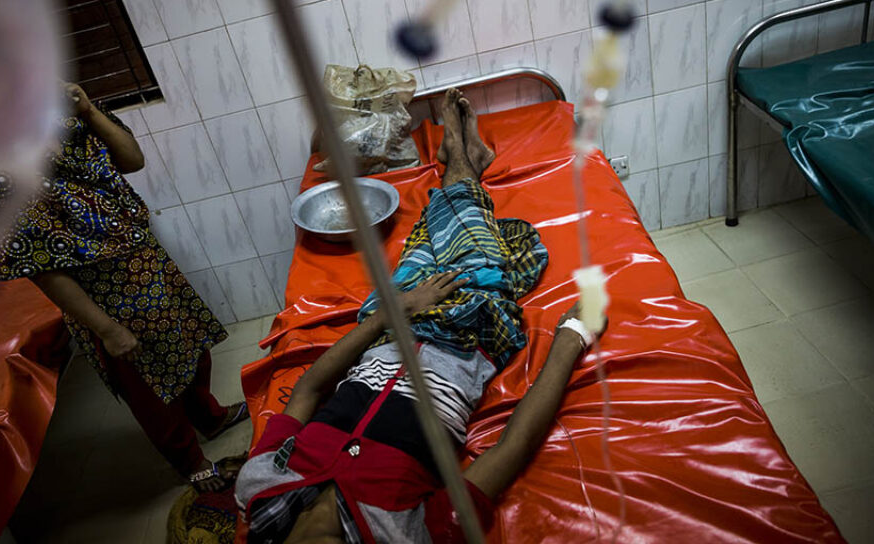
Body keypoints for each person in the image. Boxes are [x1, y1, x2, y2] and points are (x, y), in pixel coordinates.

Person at [235, 89, 606, 542]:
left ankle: (463, 157)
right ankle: (463, 155)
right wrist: (571, 335)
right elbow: (512, 447)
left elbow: (311, 387)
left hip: (385, 325)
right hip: (471, 327)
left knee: (429, 236)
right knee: (464, 231)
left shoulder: (262, 491)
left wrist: (394, 312)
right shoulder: (409, 534)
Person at [0, 83, 248, 492]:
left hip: (148, 267)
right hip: (106, 300)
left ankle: (211, 417)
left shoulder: (64, 118)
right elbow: (43, 270)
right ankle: (191, 462)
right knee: (151, 387)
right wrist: (108, 330)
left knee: (191, 353)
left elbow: (132, 159)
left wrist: (89, 110)